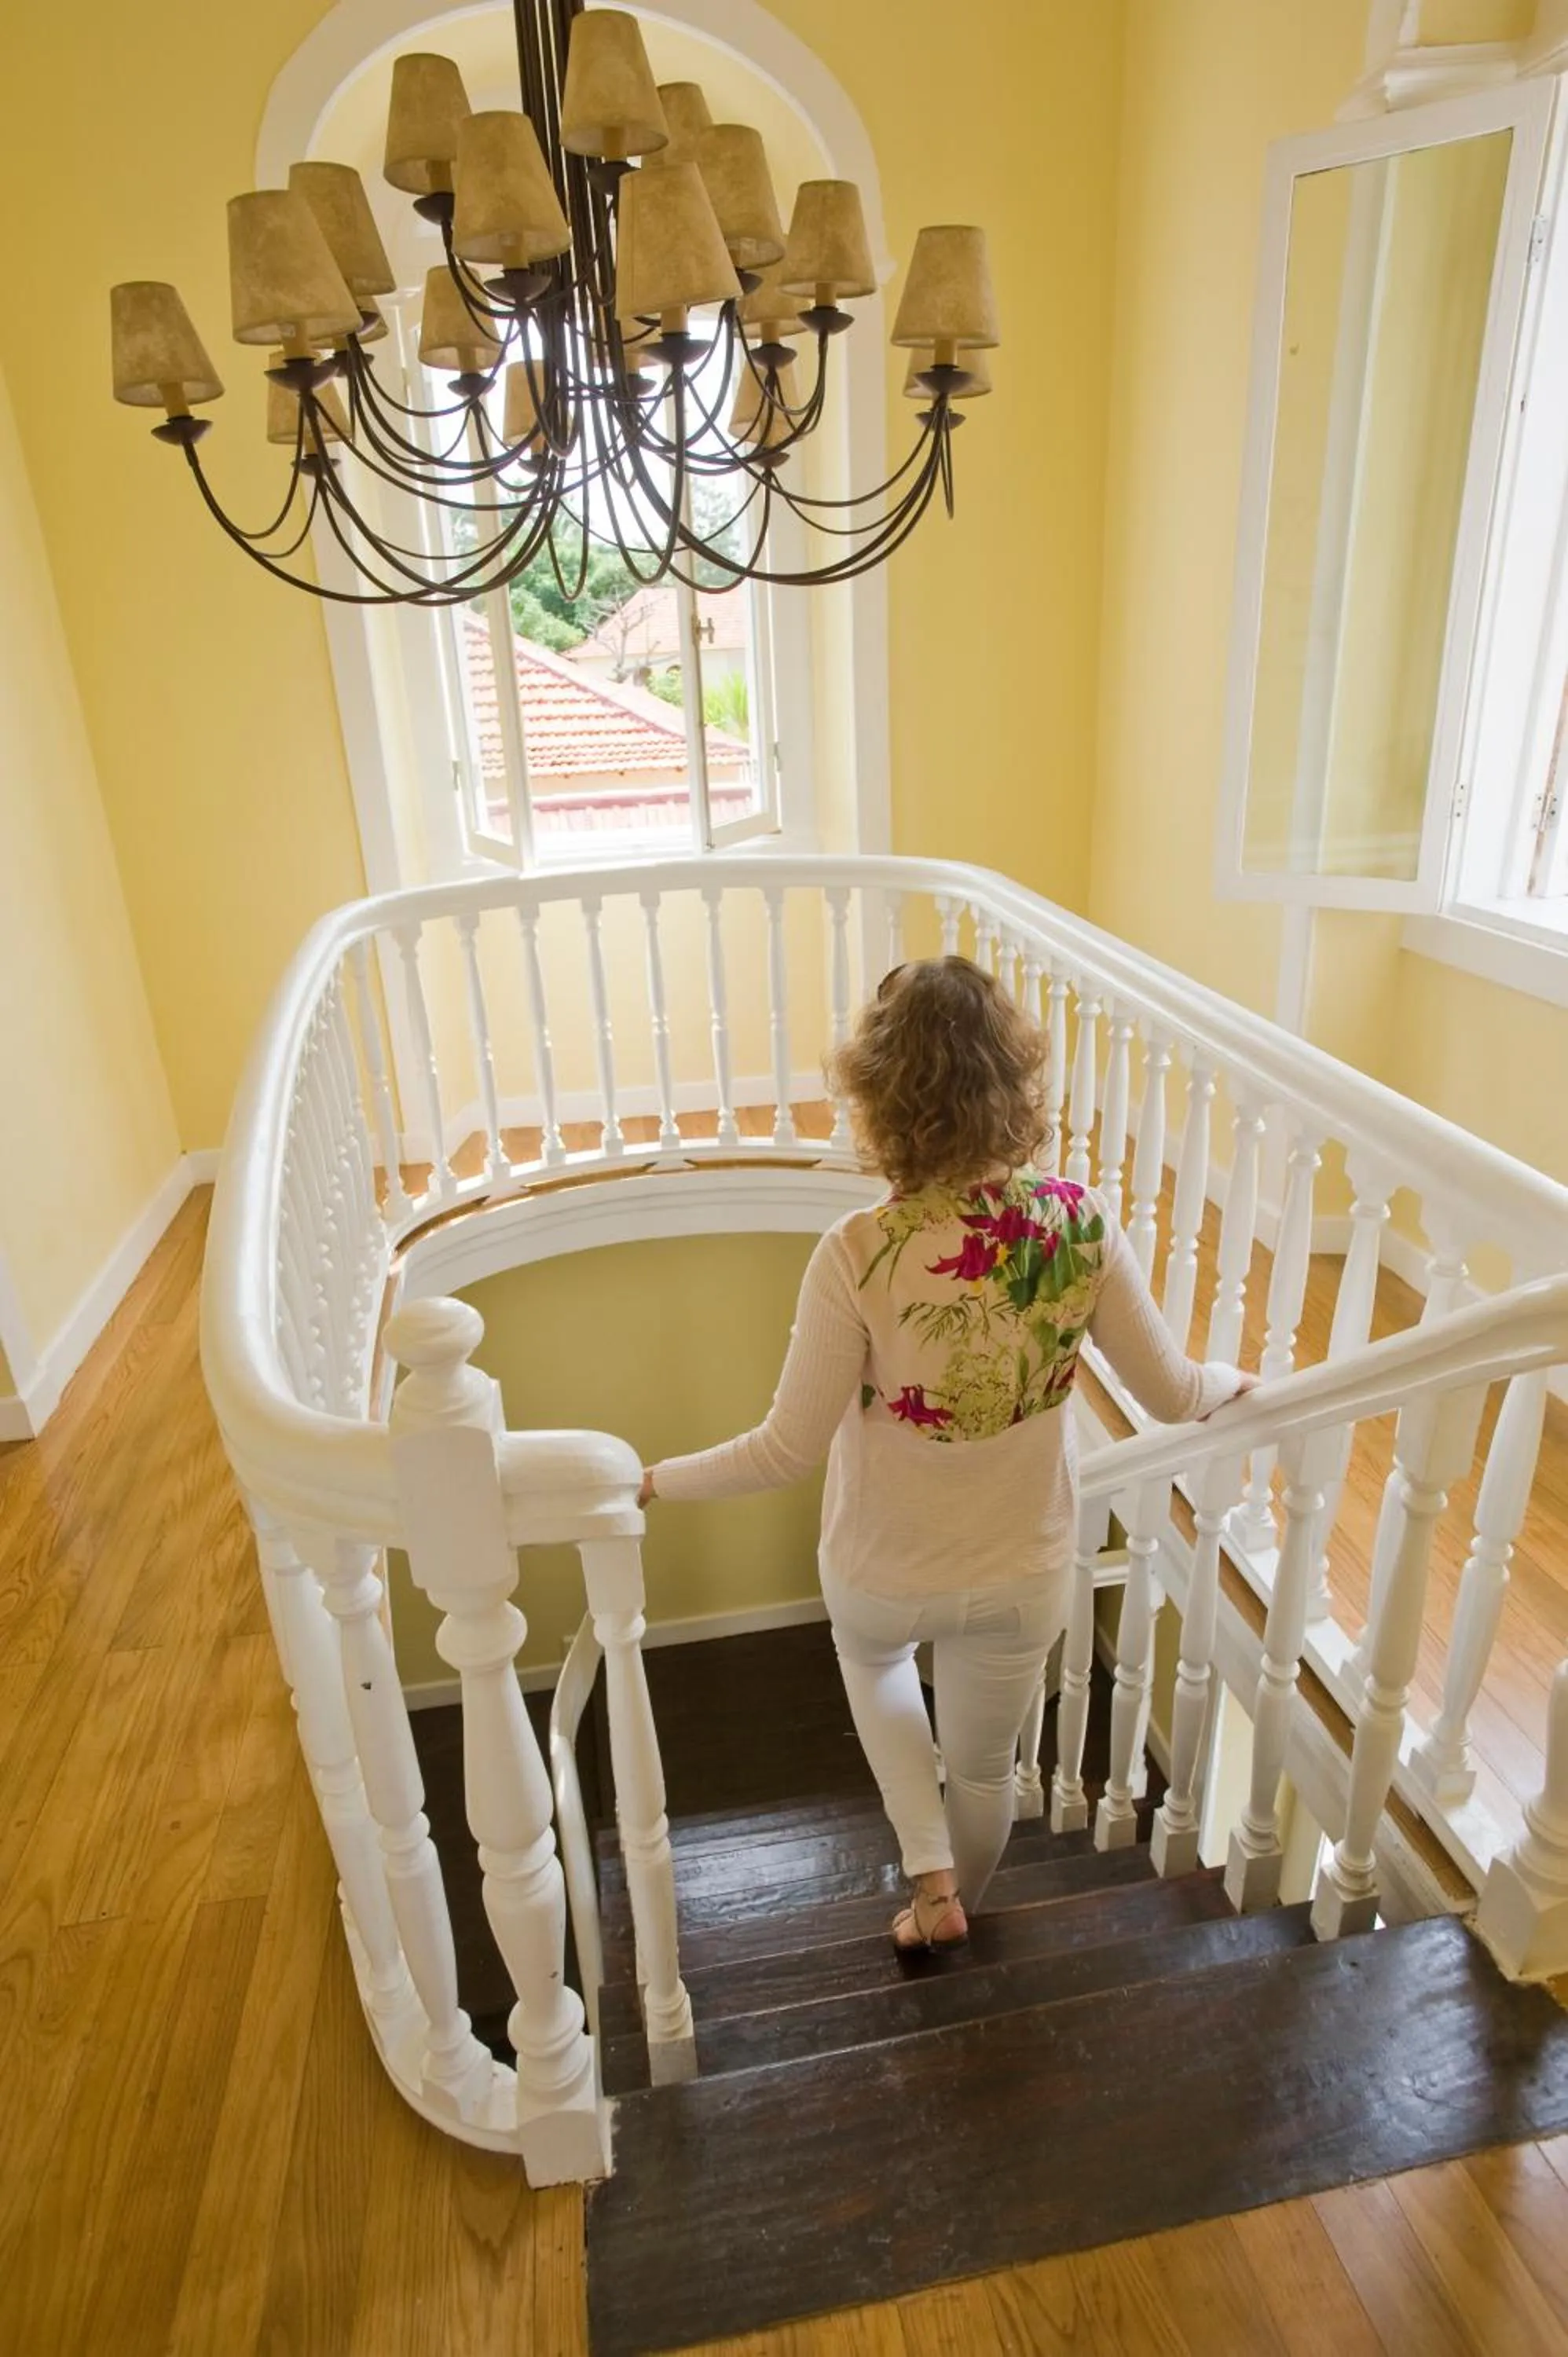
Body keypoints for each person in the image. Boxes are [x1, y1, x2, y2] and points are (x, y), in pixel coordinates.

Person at [639, 956, 1251, 1956]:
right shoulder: (1080, 1225)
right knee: (982, 1771)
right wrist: (1234, 1383)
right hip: (1023, 1570)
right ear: (1015, 1081)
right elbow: (1175, 1395)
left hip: (882, 1569)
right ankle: (945, 1899)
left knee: (872, 1660)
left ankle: (925, 1872)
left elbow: (784, 1450)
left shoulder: (859, 1252)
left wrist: (657, 1479)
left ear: (878, 1098)